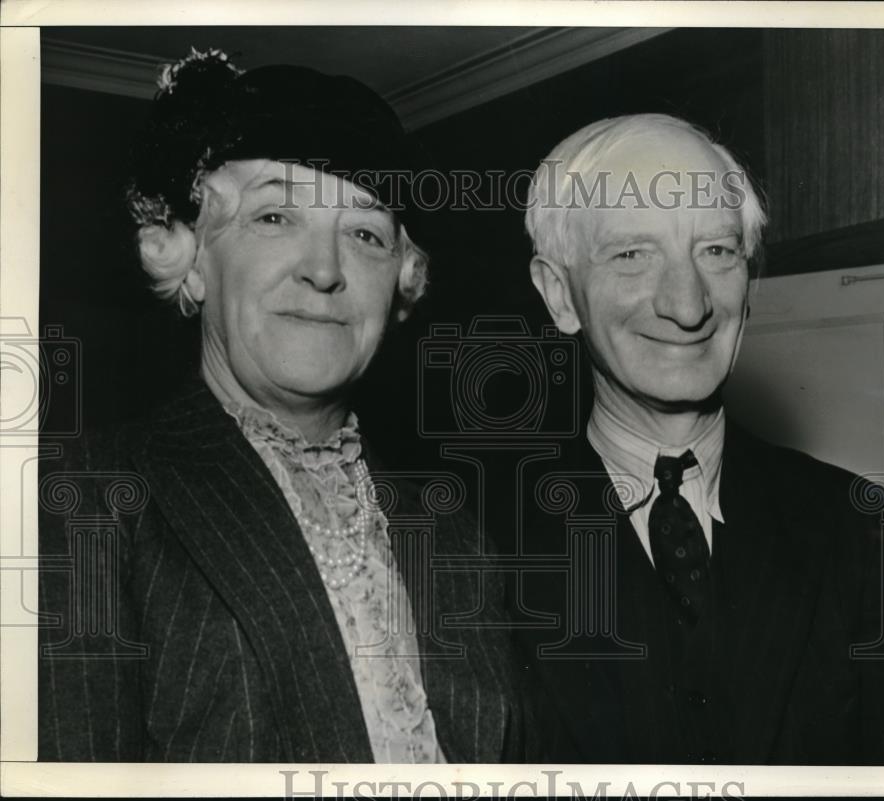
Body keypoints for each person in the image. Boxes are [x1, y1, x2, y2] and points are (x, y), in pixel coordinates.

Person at [37, 49, 527, 763]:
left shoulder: (448, 523)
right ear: (192, 259)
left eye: (365, 233)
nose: (325, 270)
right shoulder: (90, 500)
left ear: (401, 284)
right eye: (274, 216)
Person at [511, 113, 884, 765]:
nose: (688, 303)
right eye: (633, 254)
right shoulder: (485, 546)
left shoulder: (857, 529)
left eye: (716, 250)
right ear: (560, 295)